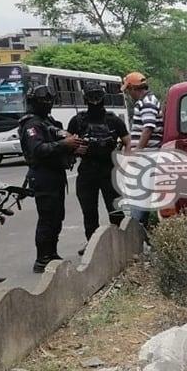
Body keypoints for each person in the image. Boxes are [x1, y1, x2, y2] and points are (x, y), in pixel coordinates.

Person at [18, 85, 84, 273]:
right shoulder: (31, 124)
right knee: (47, 218)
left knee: (57, 216)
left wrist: (73, 147)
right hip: (43, 176)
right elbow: (37, 150)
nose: (48, 106)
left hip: (55, 174)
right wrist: (64, 144)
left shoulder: (47, 121)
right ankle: (42, 258)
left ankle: (51, 253)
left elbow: (58, 140)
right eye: (44, 102)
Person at [68, 81, 131, 255]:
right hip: (88, 171)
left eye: (97, 97)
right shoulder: (78, 121)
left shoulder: (113, 120)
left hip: (109, 170)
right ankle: (94, 245)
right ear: (86, 98)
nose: (95, 101)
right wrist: (74, 149)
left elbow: (127, 142)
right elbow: (68, 141)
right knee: (89, 212)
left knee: (115, 210)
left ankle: (121, 243)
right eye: (92, 97)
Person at [121, 72, 163, 226]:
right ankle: (140, 229)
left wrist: (137, 150)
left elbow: (149, 127)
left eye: (128, 90)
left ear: (133, 88)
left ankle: (136, 229)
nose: (128, 94)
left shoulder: (147, 102)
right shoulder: (149, 101)